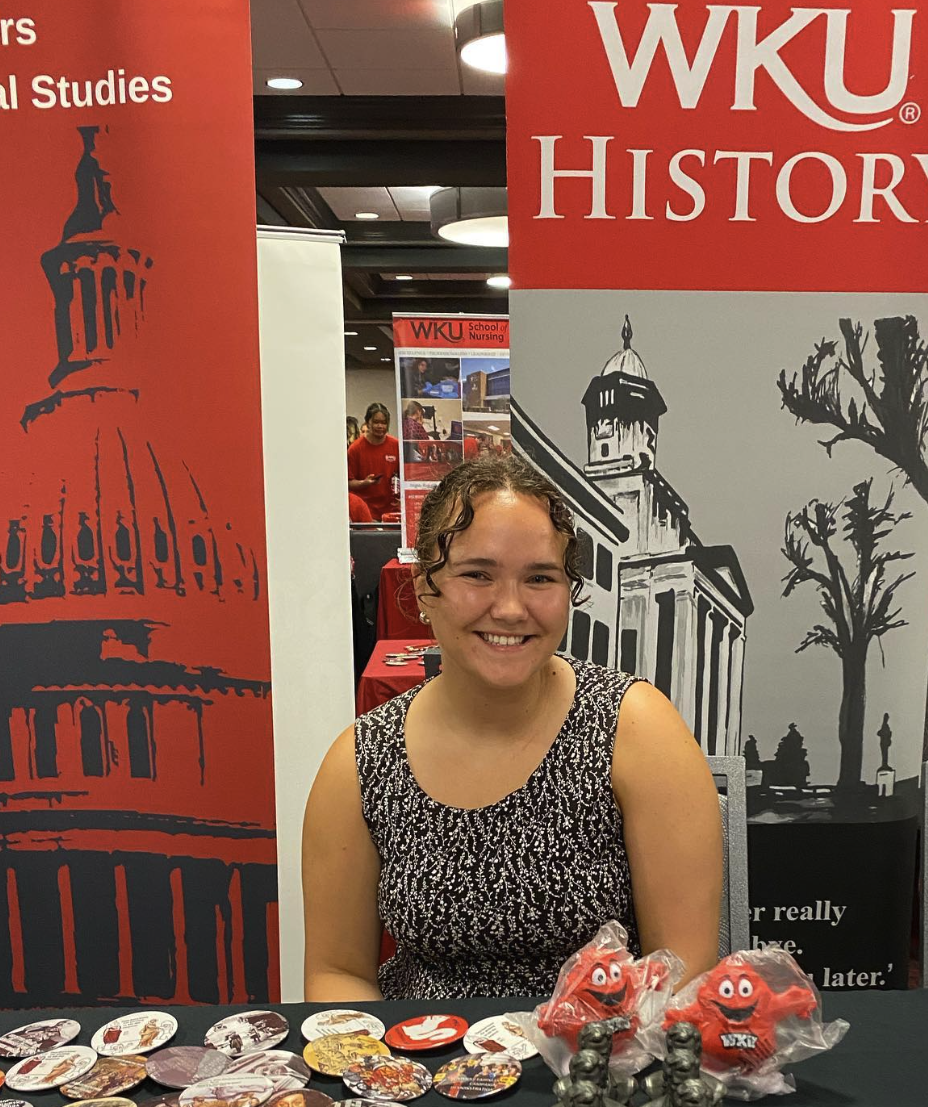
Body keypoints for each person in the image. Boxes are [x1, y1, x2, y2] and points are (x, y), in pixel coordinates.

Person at [302, 455, 722, 1000]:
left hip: (597, 1059)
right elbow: (337, 973)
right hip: (425, 1060)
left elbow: (681, 970)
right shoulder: (364, 759)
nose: (510, 608)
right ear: (424, 589)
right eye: (477, 574)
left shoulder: (634, 729)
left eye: (540, 578)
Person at [347, 403, 399, 521]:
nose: (380, 426)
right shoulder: (355, 449)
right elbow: (348, 483)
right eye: (376, 422)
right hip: (366, 513)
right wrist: (364, 483)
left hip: (391, 513)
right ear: (367, 422)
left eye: (384, 423)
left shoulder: (396, 446)